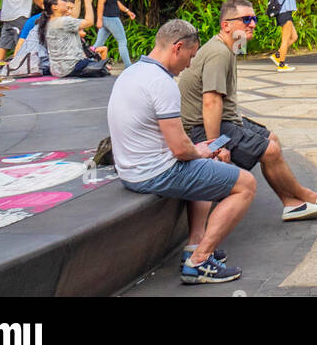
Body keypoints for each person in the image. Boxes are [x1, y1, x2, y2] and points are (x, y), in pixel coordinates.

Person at [107, 18, 255, 284]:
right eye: (190, 56)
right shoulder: (161, 83)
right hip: (154, 172)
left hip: (130, 170)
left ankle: (194, 245)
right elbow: (179, 149)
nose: (189, 65)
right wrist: (197, 152)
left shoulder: (131, 73)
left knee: (208, 167)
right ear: (177, 47)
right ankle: (199, 262)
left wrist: (199, 151)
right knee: (245, 184)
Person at [179, 0, 317, 222]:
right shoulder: (218, 53)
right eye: (245, 19)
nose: (253, 24)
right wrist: (215, 146)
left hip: (222, 119)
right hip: (200, 127)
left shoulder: (228, 47)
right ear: (226, 25)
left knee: (271, 138)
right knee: (270, 151)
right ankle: (307, 197)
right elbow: (211, 102)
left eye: (254, 19)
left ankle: (292, 203)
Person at [39, 0, 104, 78]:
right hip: (71, 67)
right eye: (61, 1)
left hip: (57, 70)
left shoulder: (51, 21)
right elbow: (89, 22)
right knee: (103, 69)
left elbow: (73, 17)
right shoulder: (63, 21)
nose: (65, 2)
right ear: (55, 7)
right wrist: (88, 2)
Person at [267, 0, 309, 71]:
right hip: (285, 14)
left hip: (282, 14)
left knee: (294, 37)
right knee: (285, 40)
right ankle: (281, 65)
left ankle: (277, 56)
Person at [95, 0, 137, 68]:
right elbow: (100, 3)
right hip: (111, 18)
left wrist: (127, 11)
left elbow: (115, 2)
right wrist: (99, 19)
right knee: (122, 41)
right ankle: (128, 66)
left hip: (107, 19)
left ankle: (89, 61)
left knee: (99, 43)